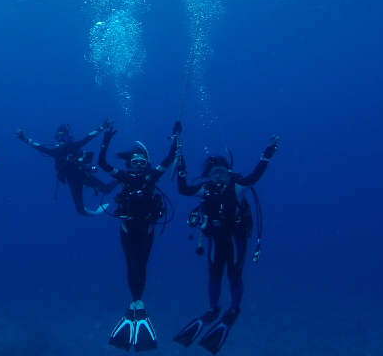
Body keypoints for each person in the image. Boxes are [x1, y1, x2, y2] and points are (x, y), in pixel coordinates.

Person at [172, 130, 278, 355]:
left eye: (221, 171)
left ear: (229, 173)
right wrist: (181, 166)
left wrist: (266, 155)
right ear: (208, 175)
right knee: (214, 276)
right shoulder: (205, 190)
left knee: (234, 275)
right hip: (215, 241)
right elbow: (183, 189)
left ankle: (234, 308)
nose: (218, 176)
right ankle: (213, 309)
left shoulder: (237, 187)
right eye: (213, 173)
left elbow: (254, 177)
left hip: (235, 239)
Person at [98, 122, 179, 352]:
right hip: (127, 228)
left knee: (141, 264)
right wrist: (105, 143)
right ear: (129, 165)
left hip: (146, 229)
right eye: (135, 163)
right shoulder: (124, 177)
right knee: (132, 263)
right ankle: (135, 302)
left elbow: (169, 158)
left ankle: (138, 302)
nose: (139, 166)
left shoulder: (152, 177)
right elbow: (102, 164)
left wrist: (175, 138)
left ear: (147, 164)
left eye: (142, 163)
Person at [15, 119, 115, 216]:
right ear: (56, 139)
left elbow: (88, 138)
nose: (62, 140)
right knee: (80, 210)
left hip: (84, 176)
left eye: (64, 137)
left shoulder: (74, 146)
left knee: (107, 190)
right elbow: (41, 148)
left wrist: (102, 127)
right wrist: (26, 140)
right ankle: (93, 214)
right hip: (73, 182)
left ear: (68, 138)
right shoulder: (56, 152)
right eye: (59, 138)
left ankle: (121, 179)